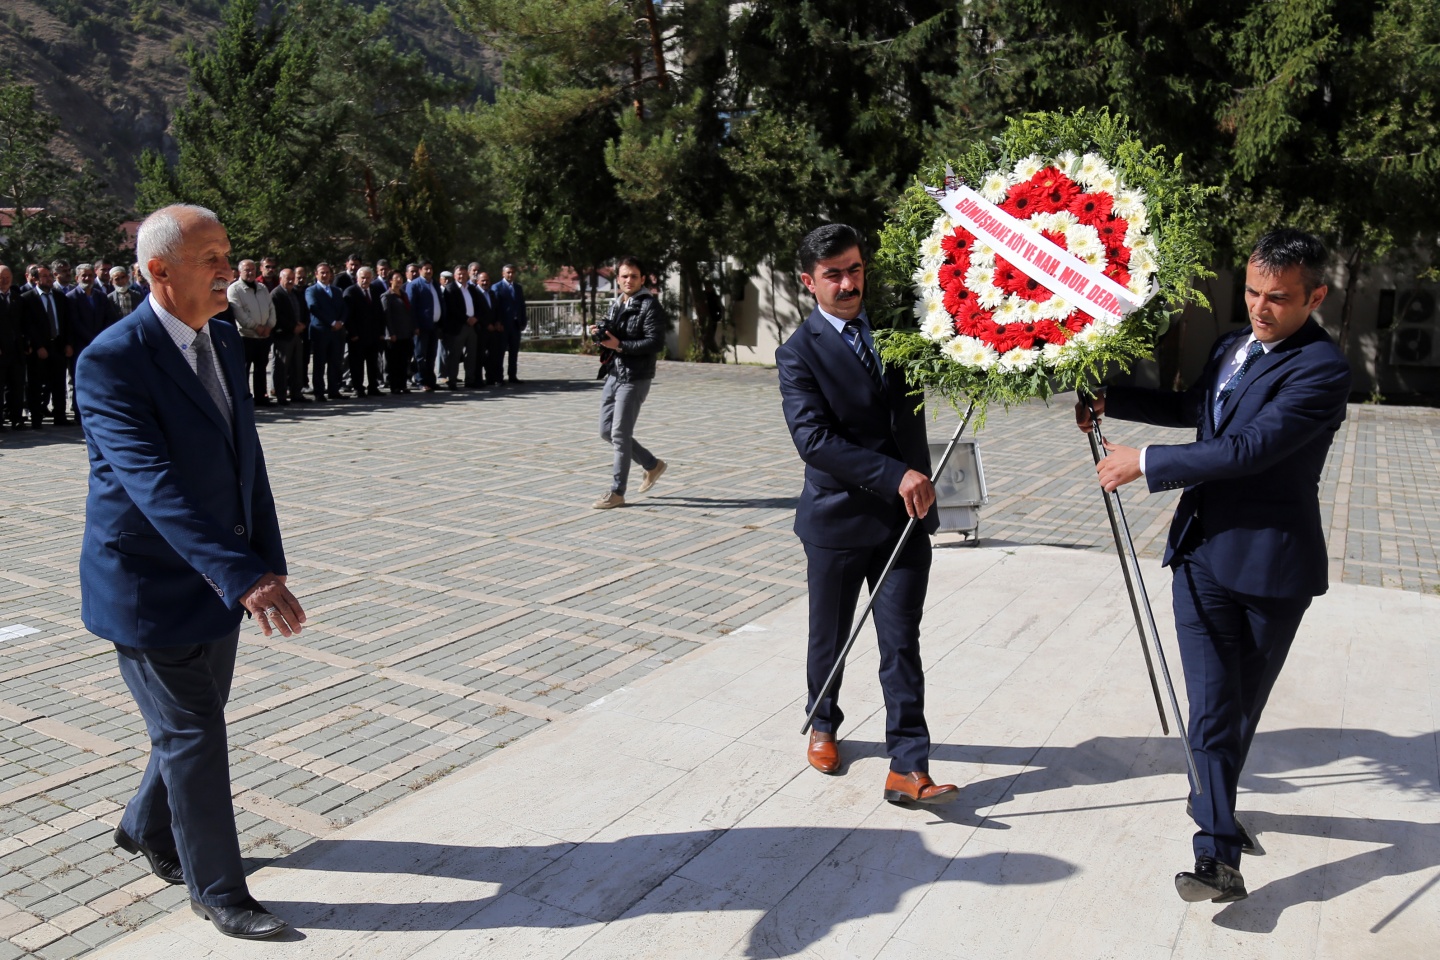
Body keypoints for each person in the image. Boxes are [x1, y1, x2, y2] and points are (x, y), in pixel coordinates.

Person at [1076, 228, 1351, 903]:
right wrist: (1114, 397)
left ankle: (1220, 821)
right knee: (1210, 708)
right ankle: (1217, 853)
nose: (1260, 308)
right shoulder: (1234, 346)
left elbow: (1251, 449)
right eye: (1253, 292)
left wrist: (1145, 462)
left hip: (1269, 567)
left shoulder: (1321, 370)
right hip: (1200, 551)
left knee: (1235, 715)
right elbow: (1195, 409)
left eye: (1279, 299)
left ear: (1314, 297)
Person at [75, 203, 305, 940]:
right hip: (148, 588)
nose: (227, 271)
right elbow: (152, 483)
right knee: (196, 735)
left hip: (222, 576)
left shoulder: (225, 342)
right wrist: (241, 574)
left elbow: (246, 463)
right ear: (159, 272)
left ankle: (144, 824)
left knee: (186, 731)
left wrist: (262, 560)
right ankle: (220, 892)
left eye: (227, 254)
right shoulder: (111, 360)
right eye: (209, 257)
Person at [775, 223, 957, 806]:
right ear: (809, 282)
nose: (849, 283)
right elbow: (814, 441)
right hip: (838, 521)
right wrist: (892, 472)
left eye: (855, 270)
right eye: (834, 275)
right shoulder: (798, 352)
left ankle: (908, 765)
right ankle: (823, 719)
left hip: (905, 521)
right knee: (829, 638)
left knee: (901, 643)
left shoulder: (898, 333)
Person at [589, 256, 666, 509]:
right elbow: (614, 332)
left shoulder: (649, 305)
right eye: (624, 276)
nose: (628, 280)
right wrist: (600, 333)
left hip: (636, 376)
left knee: (620, 434)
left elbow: (655, 343)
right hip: (614, 372)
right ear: (618, 278)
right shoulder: (619, 302)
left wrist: (620, 345)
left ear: (642, 279)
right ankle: (653, 465)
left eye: (633, 276)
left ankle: (617, 492)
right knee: (606, 431)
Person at [21, 264, 71, 427]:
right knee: (35, 385)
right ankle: (36, 418)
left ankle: (60, 416)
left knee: (58, 384)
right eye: (44, 276)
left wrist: (67, 344)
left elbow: (65, 322)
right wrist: (37, 346)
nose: (49, 279)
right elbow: (28, 325)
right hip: (39, 349)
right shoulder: (28, 298)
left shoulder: (60, 296)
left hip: (57, 345)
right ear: (35, 279)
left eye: (50, 276)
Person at [227, 259, 276, 405]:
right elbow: (239, 312)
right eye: (246, 270)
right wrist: (255, 326)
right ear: (240, 271)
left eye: (252, 270)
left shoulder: (262, 288)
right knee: (245, 369)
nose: (250, 273)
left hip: (264, 335)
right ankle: (245, 399)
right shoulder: (234, 289)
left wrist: (269, 325)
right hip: (246, 336)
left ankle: (261, 396)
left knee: (261, 368)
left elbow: (271, 308)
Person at [341, 265, 384, 396]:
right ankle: (358, 387)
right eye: (362, 278)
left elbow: (380, 313)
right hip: (357, 336)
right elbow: (348, 315)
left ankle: (373, 386)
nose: (365, 281)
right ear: (357, 278)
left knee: (373, 363)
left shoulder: (375, 290)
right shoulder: (350, 292)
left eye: (368, 278)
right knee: (356, 363)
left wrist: (381, 332)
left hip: (373, 334)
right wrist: (352, 333)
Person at [305, 262, 346, 401]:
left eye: (327, 272)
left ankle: (334, 390)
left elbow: (344, 308)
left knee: (335, 362)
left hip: (337, 332)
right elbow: (314, 307)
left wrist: (341, 322)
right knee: (319, 363)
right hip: (321, 331)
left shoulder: (336, 291)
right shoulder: (312, 290)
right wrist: (332, 322)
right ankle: (319, 392)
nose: (324, 275)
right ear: (316, 274)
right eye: (322, 272)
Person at [270, 268, 309, 404]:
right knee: (282, 367)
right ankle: (281, 395)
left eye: (293, 278)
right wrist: (292, 327)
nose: (291, 281)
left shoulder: (297, 293)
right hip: (283, 335)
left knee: (297, 366)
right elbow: (277, 316)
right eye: (288, 278)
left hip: (297, 335)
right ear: (281, 279)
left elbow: (304, 310)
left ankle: (296, 393)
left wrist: (303, 324)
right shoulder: (276, 294)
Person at [439, 264, 479, 390]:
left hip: (472, 326)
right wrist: (466, 318)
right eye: (459, 274)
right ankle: (452, 381)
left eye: (463, 273)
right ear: (455, 276)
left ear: (467, 274)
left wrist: (475, 318)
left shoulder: (472, 289)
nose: (461, 276)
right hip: (458, 327)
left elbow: (478, 305)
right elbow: (452, 309)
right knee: (455, 355)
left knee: (471, 355)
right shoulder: (451, 289)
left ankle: (470, 380)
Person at [406, 262, 442, 392]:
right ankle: (420, 381)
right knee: (420, 356)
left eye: (431, 269)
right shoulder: (414, 285)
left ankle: (431, 381)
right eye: (426, 269)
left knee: (432, 355)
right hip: (421, 327)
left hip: (434, 326)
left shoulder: (435, 284)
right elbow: (411, 308)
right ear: (420, 270)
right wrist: (415, 325)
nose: (429, 271)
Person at [0, 264, 25, 430]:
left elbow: (24, 324)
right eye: (1, 278)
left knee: (16, 385)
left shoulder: (17, 298)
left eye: (7, 278)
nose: (4, 281)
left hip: (17, 350)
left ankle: (16, 417)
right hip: (1, 350)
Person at [380, 271, 414, 394]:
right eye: (396, 278)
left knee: (404, 361)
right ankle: (394, 385)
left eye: (400, 278)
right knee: (394, 361)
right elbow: (386, 316)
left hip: (405, 333)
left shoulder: (403, 294)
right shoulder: (387, 296)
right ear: (390, 281)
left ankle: (403, 384)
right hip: (394, 335)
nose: (399, 280)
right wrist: (390, 333)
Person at [494, 263, 527, 383]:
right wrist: (498, 322)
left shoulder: (518, 288)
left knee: (514, 352)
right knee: (500, 352)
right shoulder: (497, 287)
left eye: (512, 272)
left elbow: (522, 305)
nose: (510, 274)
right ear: (503, 273)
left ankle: (512, 376)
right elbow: (495, 307)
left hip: (515, 324)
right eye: (508, 272)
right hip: (503, 325)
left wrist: (523, 321)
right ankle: (498, 377)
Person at [474, 269, 505, 387]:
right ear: (477, 282)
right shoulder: (475, 294)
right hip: (481, 330)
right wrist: (487, 324)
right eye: (482, 281)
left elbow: (497, 310)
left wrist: (498, 322)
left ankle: (492, 378)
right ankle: (478, 379)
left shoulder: (492, 293)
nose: (485, 283)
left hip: (493, 330)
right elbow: (476, 312)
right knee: (480, 356)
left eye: (487, 281)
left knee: (493, 356)